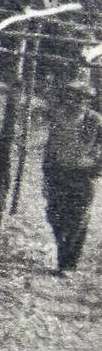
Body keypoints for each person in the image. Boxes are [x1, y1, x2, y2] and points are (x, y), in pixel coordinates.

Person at [41, 72, 102, 274]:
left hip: (82, 177)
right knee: (54, 215)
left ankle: (67, 264)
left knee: (78, 218)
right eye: (71, 96)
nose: (75, 101)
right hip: (58, 174)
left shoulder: (95, 121)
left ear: (88, 100)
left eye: (81, 98)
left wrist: (95, 165)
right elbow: (51, 147)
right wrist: (47, 175)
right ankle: (63, 253)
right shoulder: (59, 118)